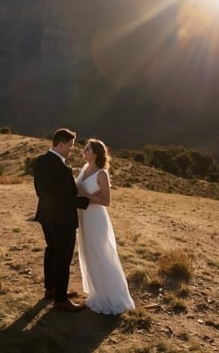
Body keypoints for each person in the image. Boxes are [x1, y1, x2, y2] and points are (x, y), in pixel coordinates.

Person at [76, 138, 135, 315]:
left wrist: (85, 195)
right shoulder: (84, 169)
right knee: (89, 254)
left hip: (96, 218)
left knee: (102, 255)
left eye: (86, 149)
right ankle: (99, 293)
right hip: (84, 218)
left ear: (95, 153)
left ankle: (115, 297)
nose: (83, 151)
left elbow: (106, 201)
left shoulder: (102, 174)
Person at [33, 128, 89, 312]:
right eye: (71, 146)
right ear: (61, 144)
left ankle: (51, 289)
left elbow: (42, 192)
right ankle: (61, 299)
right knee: (63, 257)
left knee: (52, 251)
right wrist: (88, 201)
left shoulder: (40, 161)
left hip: (46, 216)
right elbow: (65, 198)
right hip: (62, 220)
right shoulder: (62, 168)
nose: (72, 150)